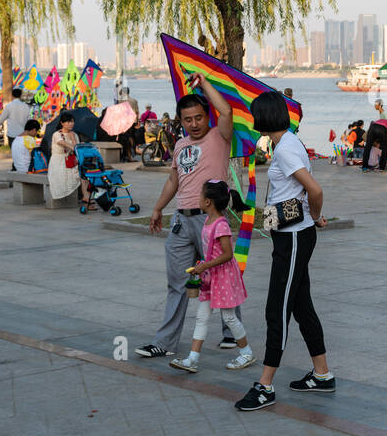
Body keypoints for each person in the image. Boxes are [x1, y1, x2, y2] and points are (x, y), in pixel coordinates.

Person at [235, 91, 334, 412]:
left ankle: (265, 386)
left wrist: (316, 216)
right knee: (301, 306)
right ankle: (322, 375)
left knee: (276, 308)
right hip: (289, 234)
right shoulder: (286, 143)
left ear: (264, 117)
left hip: (293, 239)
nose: (252, 119)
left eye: (254, 115)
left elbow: (314, 189)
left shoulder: (288, 148)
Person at [138, 78, 236, 359]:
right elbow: (174, 179)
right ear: (180, 121)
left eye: (199, 118)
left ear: (208, 117)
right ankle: (165, 342)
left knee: (220, 275)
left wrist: (204, 84)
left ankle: (231, 332)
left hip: (211, 221)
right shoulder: (180, 144)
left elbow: (227, 112)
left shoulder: (219, 136)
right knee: (177, 282)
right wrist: (158, 208)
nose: (194, 124)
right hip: (182, 219)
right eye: (187, 120)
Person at [170, 180, 255, 372]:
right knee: (202, 317)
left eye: (200, 195)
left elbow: (228, 254)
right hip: (211, 277)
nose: (198, 198)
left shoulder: (221, 224)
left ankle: (246, 353)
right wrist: (202, 267)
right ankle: (192, 359)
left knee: (229, 317)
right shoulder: (208, 221)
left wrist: (205, 265)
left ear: (208, 202)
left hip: (223, 277)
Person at [48, 111, 92, 205]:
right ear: (62, 123)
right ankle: (86, 198)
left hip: (71, 160)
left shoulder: (74, 134)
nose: (70, 124)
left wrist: (76, 140)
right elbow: (72, 147)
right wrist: (73, 139)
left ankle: (86, 197)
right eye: (68, 122)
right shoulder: (57, 135)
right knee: (77, 174)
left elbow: (76, 151)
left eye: (72, 121)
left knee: (84, 173)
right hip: (58, 162)